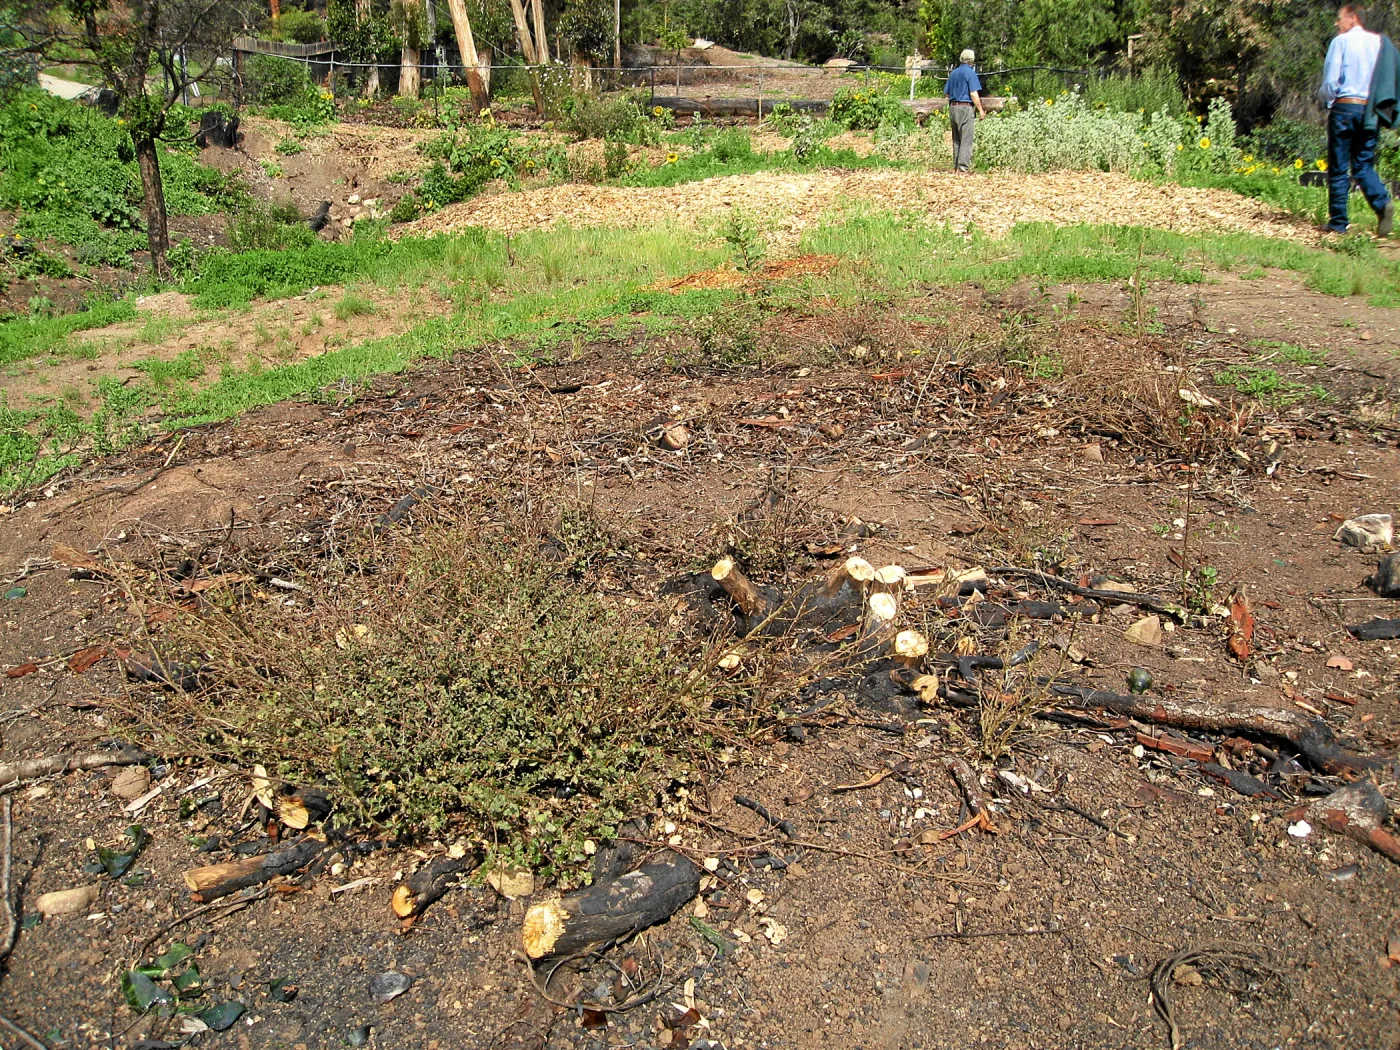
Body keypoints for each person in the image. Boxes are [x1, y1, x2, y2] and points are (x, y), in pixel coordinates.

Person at [1321, 4, 1394, 236]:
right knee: (1363, 164)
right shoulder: (1380, 44)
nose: (1336, 23)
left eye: (1339, 19)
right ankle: (1382, 203)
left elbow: (1331, 81)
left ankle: (1339, 223)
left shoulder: (1340, 42)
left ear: (1352, 19)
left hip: (1345, 107)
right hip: (1370, 112)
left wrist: (1329, 101)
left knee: (1339, 166)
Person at [945, 49, 985, 173]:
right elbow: (973, 93)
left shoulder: (954, 73)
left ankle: (956, 167)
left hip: (953, 107)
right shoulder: (970, 73)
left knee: (956, 139)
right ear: (971, 61)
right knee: (966, 139)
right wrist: (980, 110)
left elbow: (946, 92)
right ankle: (963, 169)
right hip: (965, 107)